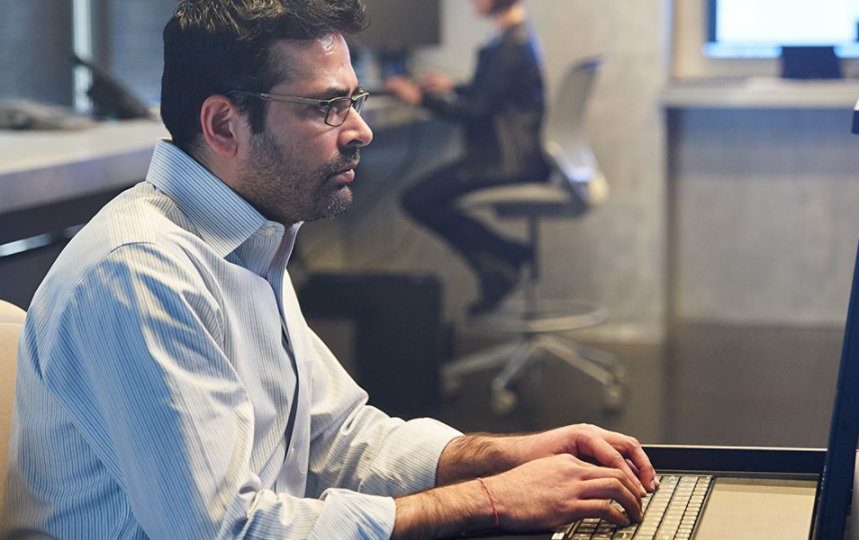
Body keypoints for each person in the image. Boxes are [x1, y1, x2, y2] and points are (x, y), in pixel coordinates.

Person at [2, 1, 657, 538]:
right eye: (326, 107)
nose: (361, 130)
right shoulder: (140, 274)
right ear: (224, 125)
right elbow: (227, 532)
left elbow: (338, 437)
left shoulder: (252, 235)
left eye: (355, 99)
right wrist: (488, 499)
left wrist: (500, 455)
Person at [385, 0, 550, 315]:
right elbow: (490, 93)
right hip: (513, 157)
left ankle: (505, 256)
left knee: (417, 200)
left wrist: (419, 97)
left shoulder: (510, 44)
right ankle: (500, 264)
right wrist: (452, 87)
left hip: (503, 163)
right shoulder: (514, 36)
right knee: (423, 198)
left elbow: (476, 110)